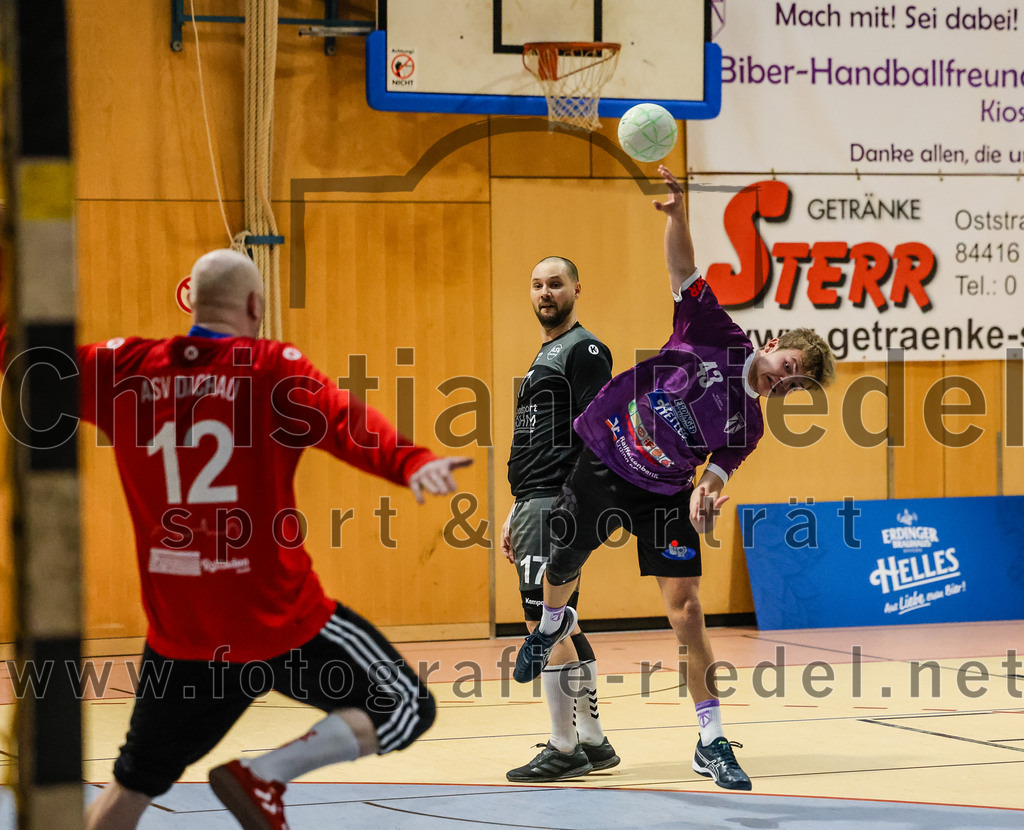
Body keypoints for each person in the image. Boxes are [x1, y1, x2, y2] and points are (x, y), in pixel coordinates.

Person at [80, 249, 472, 830]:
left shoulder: (124, 368)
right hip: (279, 620)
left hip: (184, 635)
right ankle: (264, 775)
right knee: (406, 705)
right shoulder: (268, 368)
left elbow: (20, 358)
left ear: (190, 297)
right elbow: (345, 420)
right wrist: (410, 463)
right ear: (255, 306)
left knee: (134, 783)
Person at [512, 167, 837, 791]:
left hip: (662, 495)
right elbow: (683, 269)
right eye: (788, 365)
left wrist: (707, 494)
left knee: (687, 612)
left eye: (795, 384)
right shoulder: (718, 334)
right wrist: (676, 215)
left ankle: (711, 739)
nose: (785, 380)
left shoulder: (751, 425)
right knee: (562, 560)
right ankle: (551, 625)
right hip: (607, 458)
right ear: (773, 345)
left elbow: (713, 476)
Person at [500, 256, 617, 782]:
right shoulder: (545, 354)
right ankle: (593, 742)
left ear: (576, 289)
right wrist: (515, 506)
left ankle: (563, 746)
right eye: (538, 284)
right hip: (535, 500)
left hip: (554, 501)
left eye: (556, 284)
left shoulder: (584, 351)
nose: (545, 292)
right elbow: (533, 442)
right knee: (564, 619)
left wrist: (573, 502)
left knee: (540, 625)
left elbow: (599, 431)